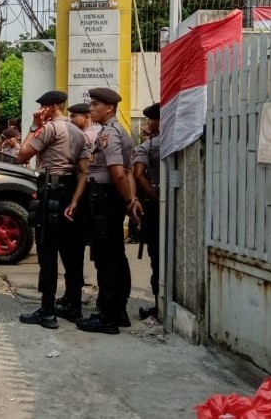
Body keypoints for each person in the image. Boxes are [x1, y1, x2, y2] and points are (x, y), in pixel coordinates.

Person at [15, 90, 89, 329]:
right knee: (72, 253)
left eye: (42, 107)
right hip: (71, 195)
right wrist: (76, 201)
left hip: (51, 193)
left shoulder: (48, 129)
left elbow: (21, 155)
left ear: (51, 106)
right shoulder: (79, 132)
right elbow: (84, 171)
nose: (40, 111)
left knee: (47, 253)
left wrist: (33, 126)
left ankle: (47, 311)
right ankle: (73, 306)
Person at [76, 87, 142, 335]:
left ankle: (108, 317)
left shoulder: (110, 135)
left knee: (107, 260)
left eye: (95, 104)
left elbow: (117, 172)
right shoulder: (115, 132)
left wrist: (128, 201)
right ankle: (118, 311)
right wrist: (131, 198)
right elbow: (126, 172)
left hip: (105, 200)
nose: (91, 109)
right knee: (115, 256)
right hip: (110, 199)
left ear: (109, 108)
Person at [133, 102, 161, 320]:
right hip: (174, 206)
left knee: (155, 257)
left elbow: (138, 173)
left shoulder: (149, 146)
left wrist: (154, 196)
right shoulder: (178, 142)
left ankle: (158, 305)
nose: (147, 124)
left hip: (154, 208)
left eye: (150, 120)